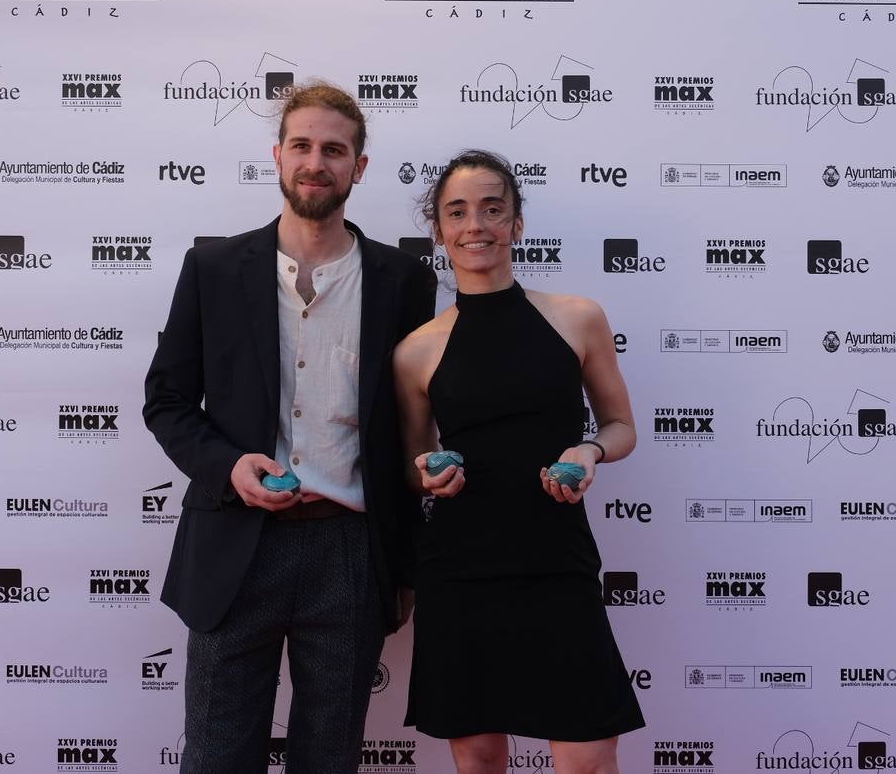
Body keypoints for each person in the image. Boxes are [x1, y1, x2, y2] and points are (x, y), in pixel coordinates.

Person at [144, 81, 437, 774]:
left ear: (359, 167)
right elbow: (168, 401)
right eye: (302, 146)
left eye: (334, 150)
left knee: (328, 760)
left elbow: (413, 419)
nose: (316, 162)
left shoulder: (403, 281)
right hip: (234, 543)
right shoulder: (213, 269)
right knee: (216, 758)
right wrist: (229, 466)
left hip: (351, 550)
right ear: (277, 157)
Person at [392, 150, 644, 774]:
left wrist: (589, 450)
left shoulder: (577, 317)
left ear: (517, 224)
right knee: (477, 756)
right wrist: (429, 473)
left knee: (589, 750)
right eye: (458, 211)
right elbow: (409, 463)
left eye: (492, 209)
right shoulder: (415, 351)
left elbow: (621, 427)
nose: (475, 224)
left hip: (556, 558)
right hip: (460, 569)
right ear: (440, 230)